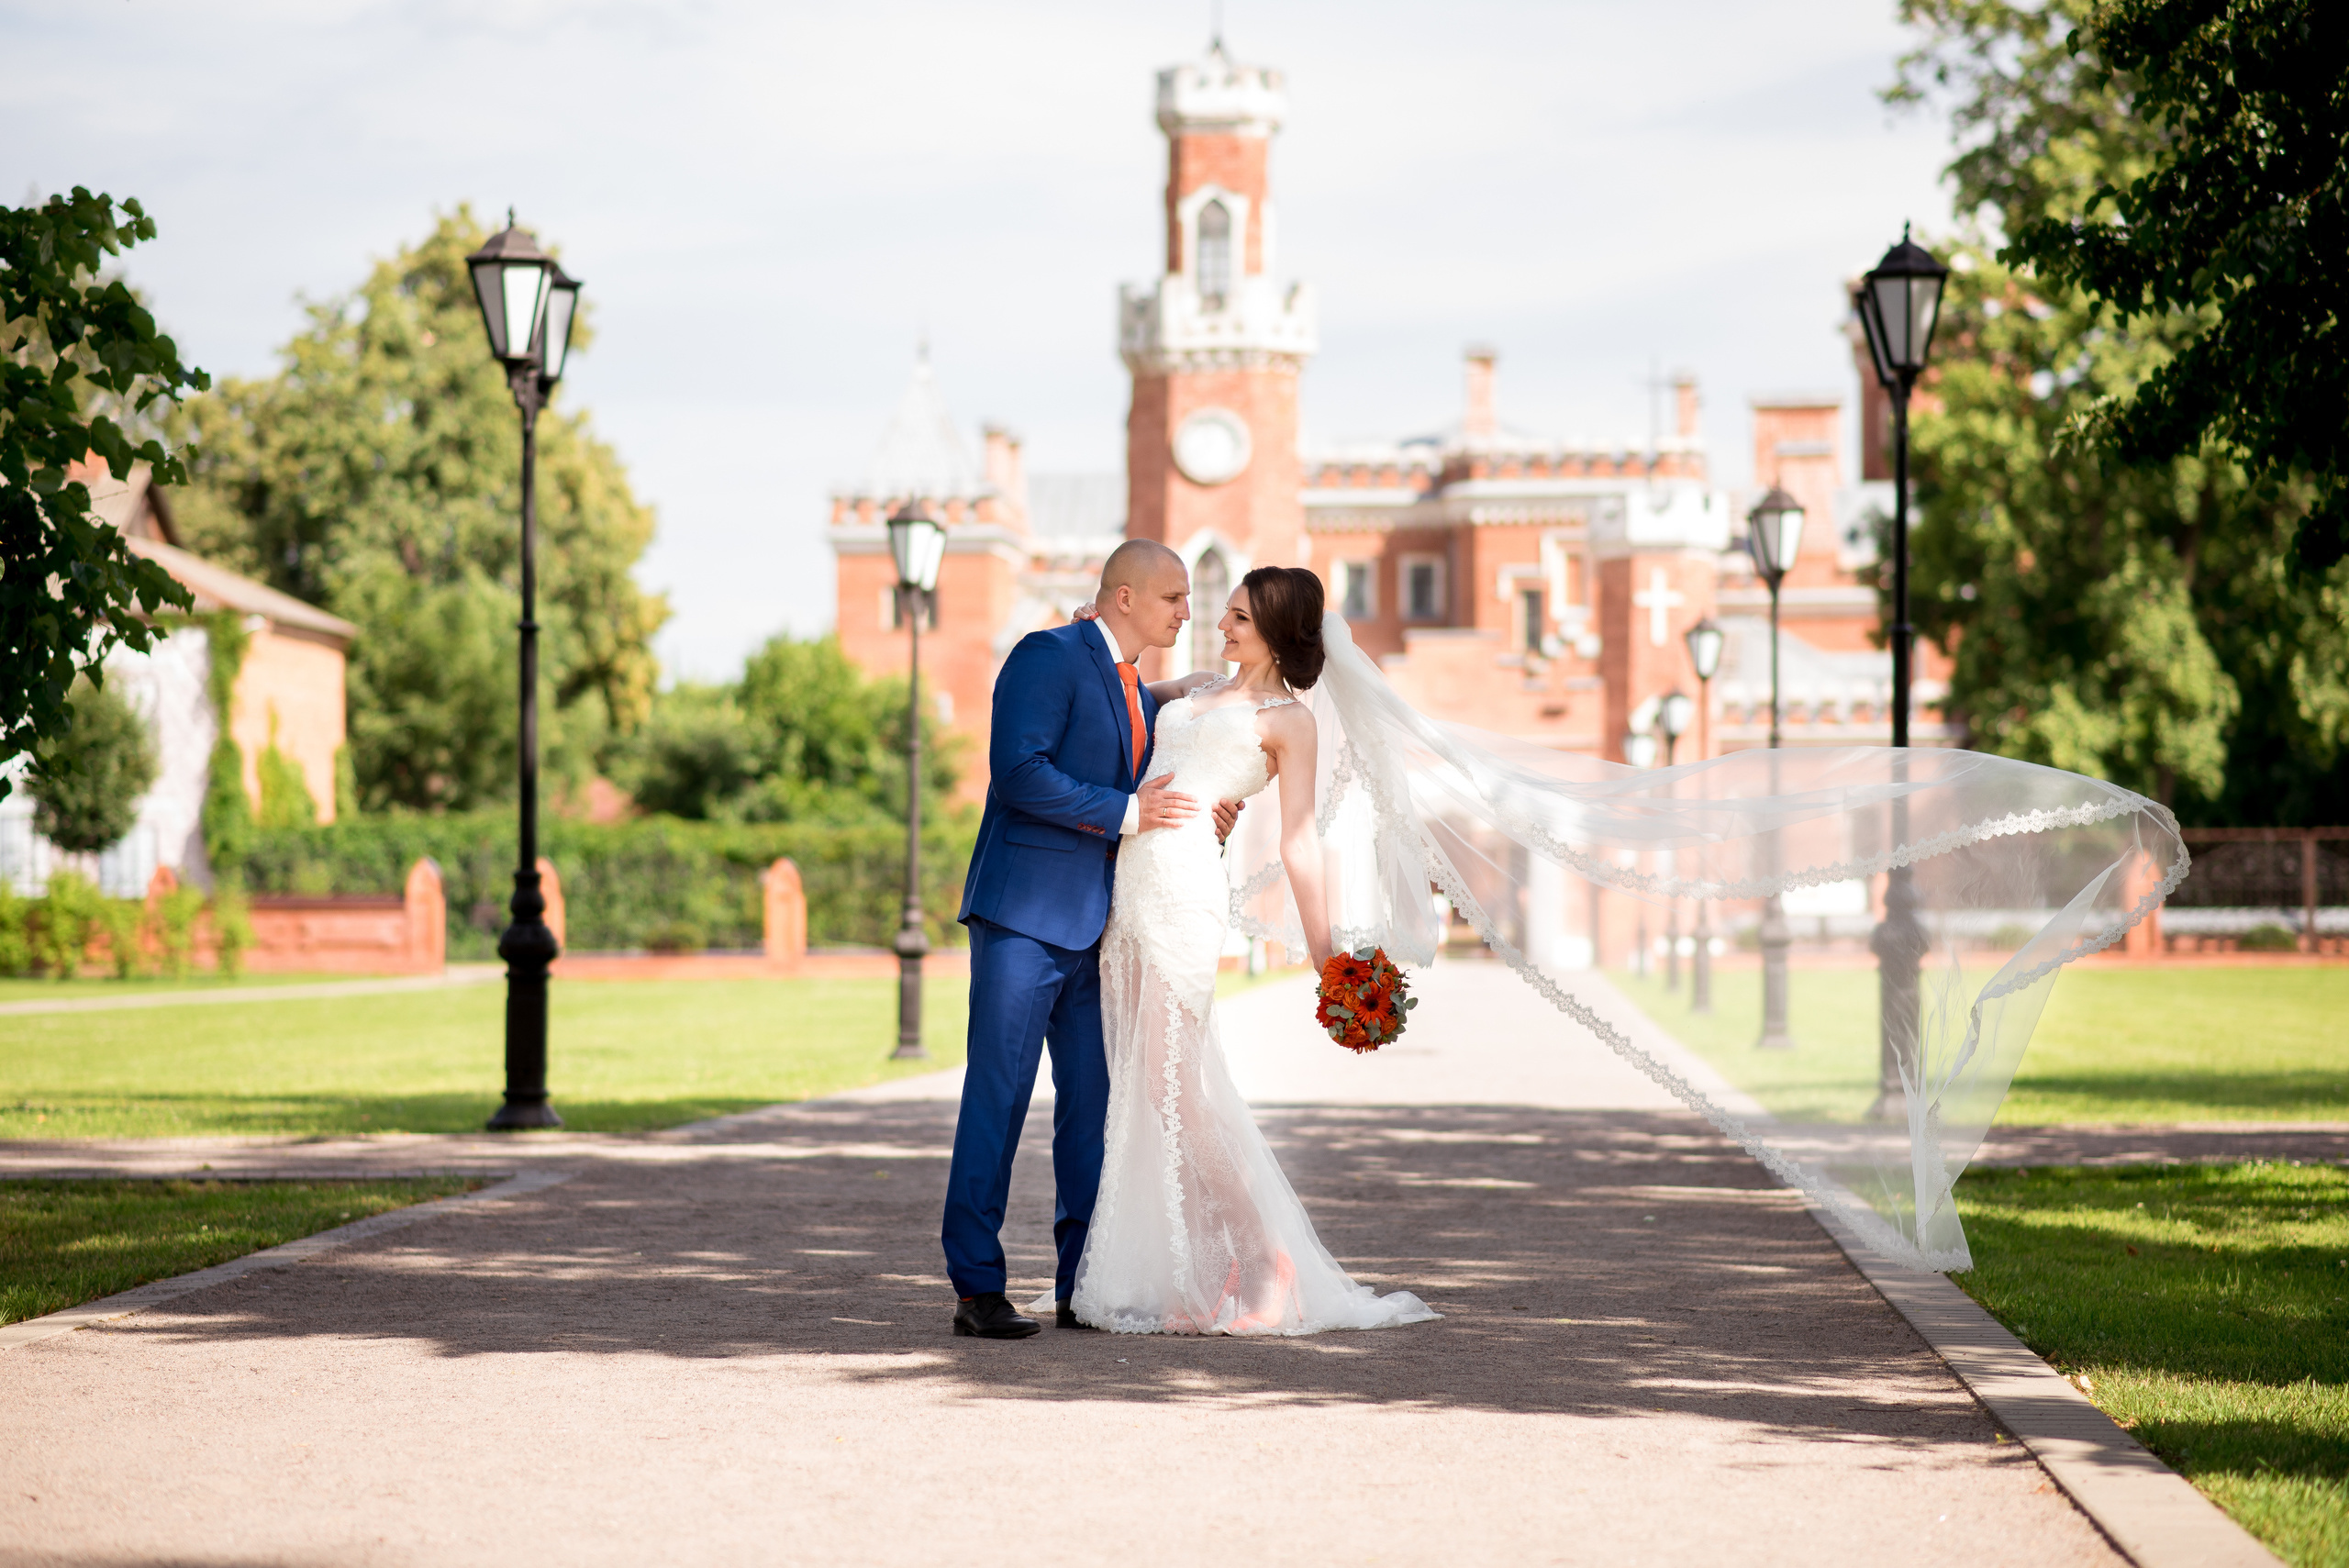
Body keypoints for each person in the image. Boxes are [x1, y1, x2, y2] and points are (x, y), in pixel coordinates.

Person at [1065, 563, 1438, 1333]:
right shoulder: (1196, 687)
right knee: (1148, 1091)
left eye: (1239, 616)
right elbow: (1123, 693)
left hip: (1186, 899)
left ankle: (1269, 1259)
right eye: (1225, 611)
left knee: (1176, 1095)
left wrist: (1327, 953)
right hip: (1128, 896)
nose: (1222, 624)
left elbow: (1302, 842)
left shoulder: (1289, 722)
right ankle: (1202, 1276)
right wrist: (1087, 631)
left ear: (1274, 629)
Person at [941, 539, 1237, 1339]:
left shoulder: (1133, 685)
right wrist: (1134, 813)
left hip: (1100, 928)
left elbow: (1141, 774)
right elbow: (1020, 772)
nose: (1188, 610)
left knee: (1092, 1109)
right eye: (1176, 597)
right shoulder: (1047, 653)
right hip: (1022, 919)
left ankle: (1082, 1284)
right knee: (996, 1099)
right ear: (1126, 598)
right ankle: (976, 1286)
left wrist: (1193, 808)